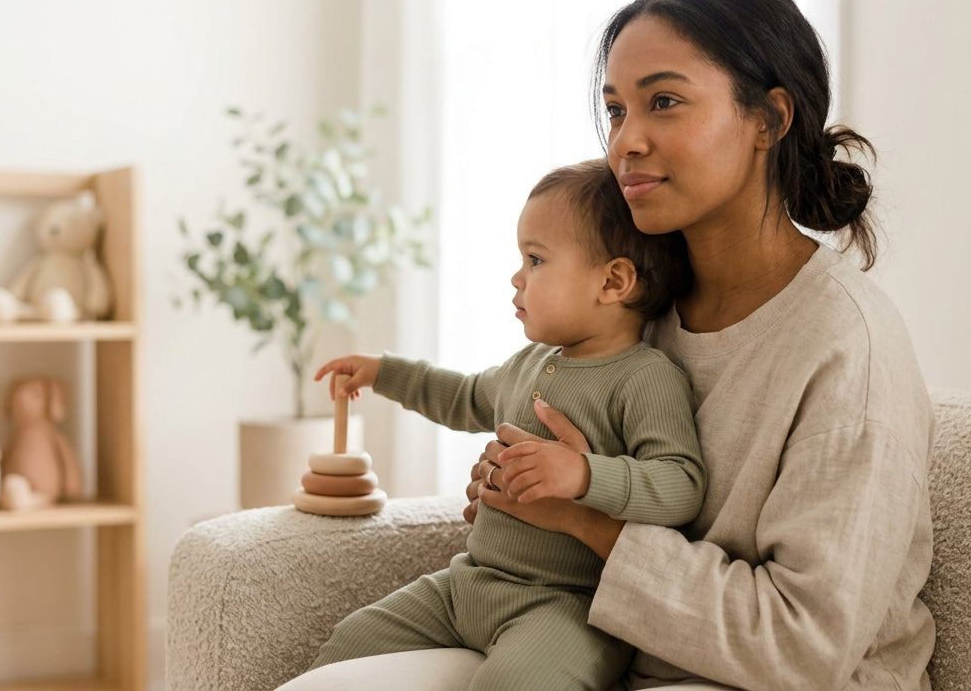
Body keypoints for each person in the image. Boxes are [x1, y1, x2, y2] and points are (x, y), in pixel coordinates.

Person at [283, 0, 934, 691]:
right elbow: (508, 410)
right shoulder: (631, 307)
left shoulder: (847, 350)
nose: (626, 141)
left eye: (664, 102)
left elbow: (804, 648)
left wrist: (583, 516)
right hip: (594, 642)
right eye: (617, 109)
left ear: (768, 119)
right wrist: (518, 487)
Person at [301, 158, 706, 691]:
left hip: (566, 606)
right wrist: (385, 372)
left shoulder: (646, 378)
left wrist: (585, 475)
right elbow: (465, 395)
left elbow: (682, 484)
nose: (517, 277)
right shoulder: (529, 363)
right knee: (344, 649)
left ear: (613, 281)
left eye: (535, 259)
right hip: (467, 583)